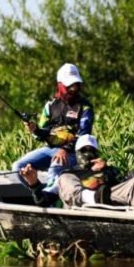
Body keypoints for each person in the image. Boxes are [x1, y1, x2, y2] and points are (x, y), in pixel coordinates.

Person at [13, 63, 94, 193]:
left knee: (55, 167)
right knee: (18, 166)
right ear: (60, 85)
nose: (73, 88)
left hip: (75, 152)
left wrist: (65, 150)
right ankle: (40, 194)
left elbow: (83, 136)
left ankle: (51, 201)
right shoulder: (50, 105)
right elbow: (43, 134)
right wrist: (35, 130)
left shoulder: (85, 107)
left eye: (76, 84)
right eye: (69, 85)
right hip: (51, 149)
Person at [21, 135, 134, 208]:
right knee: (64, 177)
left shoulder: (108, 170)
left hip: (110, 202)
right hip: (81, 209)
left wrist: (108, 171)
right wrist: (34, 183)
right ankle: (94, 199)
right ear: (77, 153)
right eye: (84, 150)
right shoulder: (70, 173)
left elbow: (125, 186)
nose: (88, 154)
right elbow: (43, 201)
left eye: (92, 150)